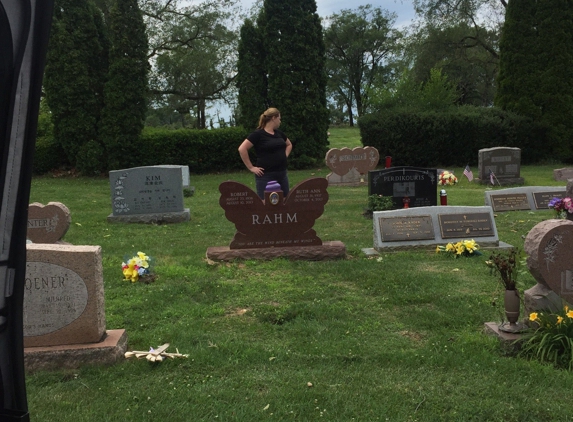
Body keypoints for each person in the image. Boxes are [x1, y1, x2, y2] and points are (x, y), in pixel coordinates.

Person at [238, 107, 292, 199]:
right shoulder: (258, 134)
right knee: (265, 203)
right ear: (273, 118)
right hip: (265, 176)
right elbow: (242, 148)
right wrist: (251, 167)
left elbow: (289, 144)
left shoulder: (279, 133)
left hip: (282, 174)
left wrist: (284, 155)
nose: (280, 121)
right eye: (279, 119)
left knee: (285, 202)